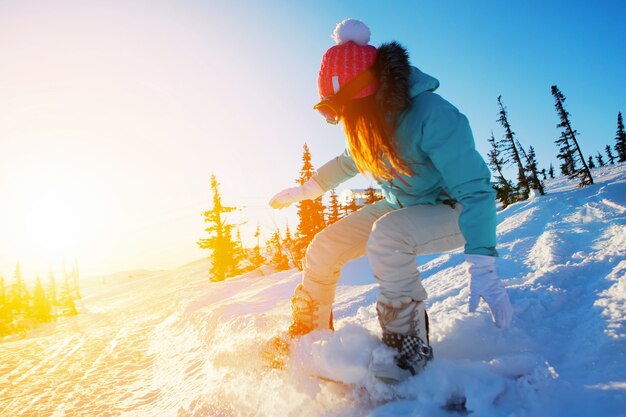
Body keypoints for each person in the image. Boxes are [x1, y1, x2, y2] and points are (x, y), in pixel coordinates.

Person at [269, 19, 513, 383]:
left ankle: (407, 347)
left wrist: (483, 264)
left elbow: (476, 191)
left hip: (452, 208)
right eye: (329, 111)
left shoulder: (433, 114)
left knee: (388, 236)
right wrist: (307, 189)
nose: (338, 120)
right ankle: (310, 335)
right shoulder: (366, 120)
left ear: (369, 89)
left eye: (340, 109)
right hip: (401, 203)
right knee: (324, 246)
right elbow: (348, 160)